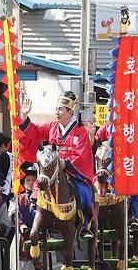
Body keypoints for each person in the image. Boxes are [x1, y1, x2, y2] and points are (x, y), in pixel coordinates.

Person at [19, 91, 96, 239]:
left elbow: (82, 153)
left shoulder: (80, 131)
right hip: (51, 169)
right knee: (37, 189)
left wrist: (65, 163)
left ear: (70, 111)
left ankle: (85, 226)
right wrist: (24, 117)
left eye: (61, 109)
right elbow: (35, 132)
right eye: (57, 109)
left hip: (72, 171)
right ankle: (38, 216)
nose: (57, 112)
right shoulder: (52, 127)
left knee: (85, 193)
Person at [12, 163, 39, 270]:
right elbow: (14, 213)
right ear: (23, 182)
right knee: (21, 268)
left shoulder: (43, 199)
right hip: (22, 235)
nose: (31, 183)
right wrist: (20, 223)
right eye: (28, 180)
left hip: (38, 235)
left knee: (37, 267)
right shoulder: (18, 198)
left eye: (33, 180)